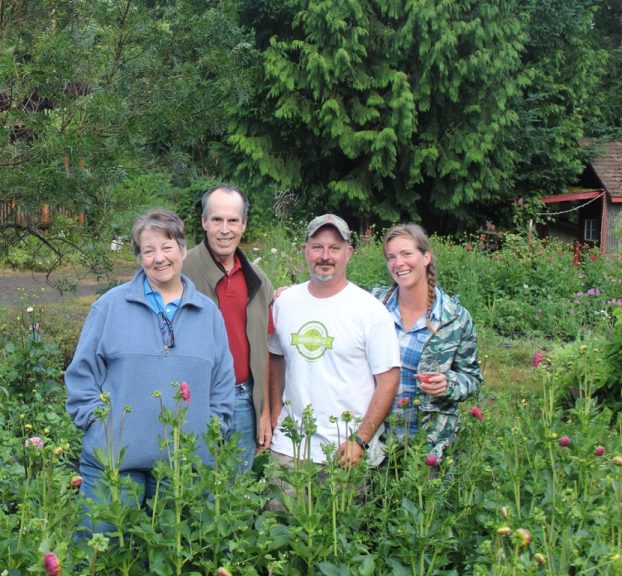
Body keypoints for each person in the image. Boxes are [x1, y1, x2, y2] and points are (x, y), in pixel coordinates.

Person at [65, 208, 235, 532]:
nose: (159, 258)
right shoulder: (110, 307)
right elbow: (81, 373)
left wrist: (212, 429)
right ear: (139, 256)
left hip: (184, 466)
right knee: (102, 556)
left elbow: (222, 382)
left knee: (174, 559)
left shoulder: (208, 313)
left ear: (183, 250)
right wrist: (95, 422)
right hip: (114, 464)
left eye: (167, 247)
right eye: (148, 250)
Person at [269, 214, 400, 468]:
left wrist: (360, 439)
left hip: (346, 451)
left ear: (348, 253)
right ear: (304, 250)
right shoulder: (285, 303)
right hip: (289, 447)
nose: (325, 256)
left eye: (334, 248)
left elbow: (388, 379)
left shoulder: (369, 311)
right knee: (278, 508)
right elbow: (274, 357)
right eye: (317, 247)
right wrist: (275, 412)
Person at [373, 223, 482, 461]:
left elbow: (472, 378)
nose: (398, 263)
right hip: (376, 441)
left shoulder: (454, 317)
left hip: (428, 443)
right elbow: (335, 306)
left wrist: (449, 384)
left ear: (426, 257)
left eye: (406, 254)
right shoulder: (373, 305)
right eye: (391, 257)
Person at [183, 184, 274, 472]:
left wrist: (264, 410)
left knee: (235, 497)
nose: (225, 229)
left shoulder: (258, 280)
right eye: (217, 220)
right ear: (204, 222)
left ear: (244, 225)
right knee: (194, 495)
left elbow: (265, 350)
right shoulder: (180, 272)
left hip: (245, 401)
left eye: (233, 220)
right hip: (196, 401)